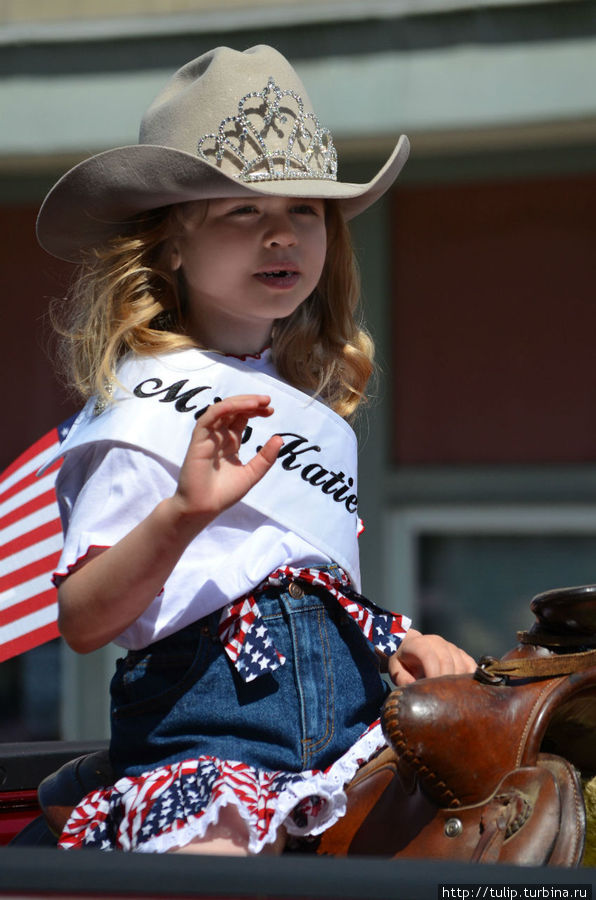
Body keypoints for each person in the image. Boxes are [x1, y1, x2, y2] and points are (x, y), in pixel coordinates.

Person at [36, 45, 476, 856]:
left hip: (347, 737)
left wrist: (396, 643)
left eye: (305, 210)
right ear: (170, 244)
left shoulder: (307, 413)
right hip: (206, 745)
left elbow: (306, 584)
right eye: (243, 210)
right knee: (221, 862)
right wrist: (181, 515)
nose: (281, 234)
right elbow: (84, 619)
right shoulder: (139, 407)